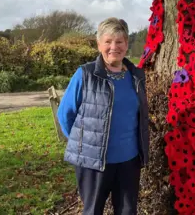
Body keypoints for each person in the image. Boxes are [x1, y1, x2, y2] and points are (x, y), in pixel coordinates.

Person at [57, 17, 149, 215]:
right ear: (99, 44)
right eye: (108, 41)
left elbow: (138, 117)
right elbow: (66, 115)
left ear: (126, 44)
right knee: (93, 211)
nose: (113, 47)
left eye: (119, 41)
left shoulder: (136, 76)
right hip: (93, 162)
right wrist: (83, 145)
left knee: (127, 211)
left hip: (129, 161)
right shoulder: (86, 74)